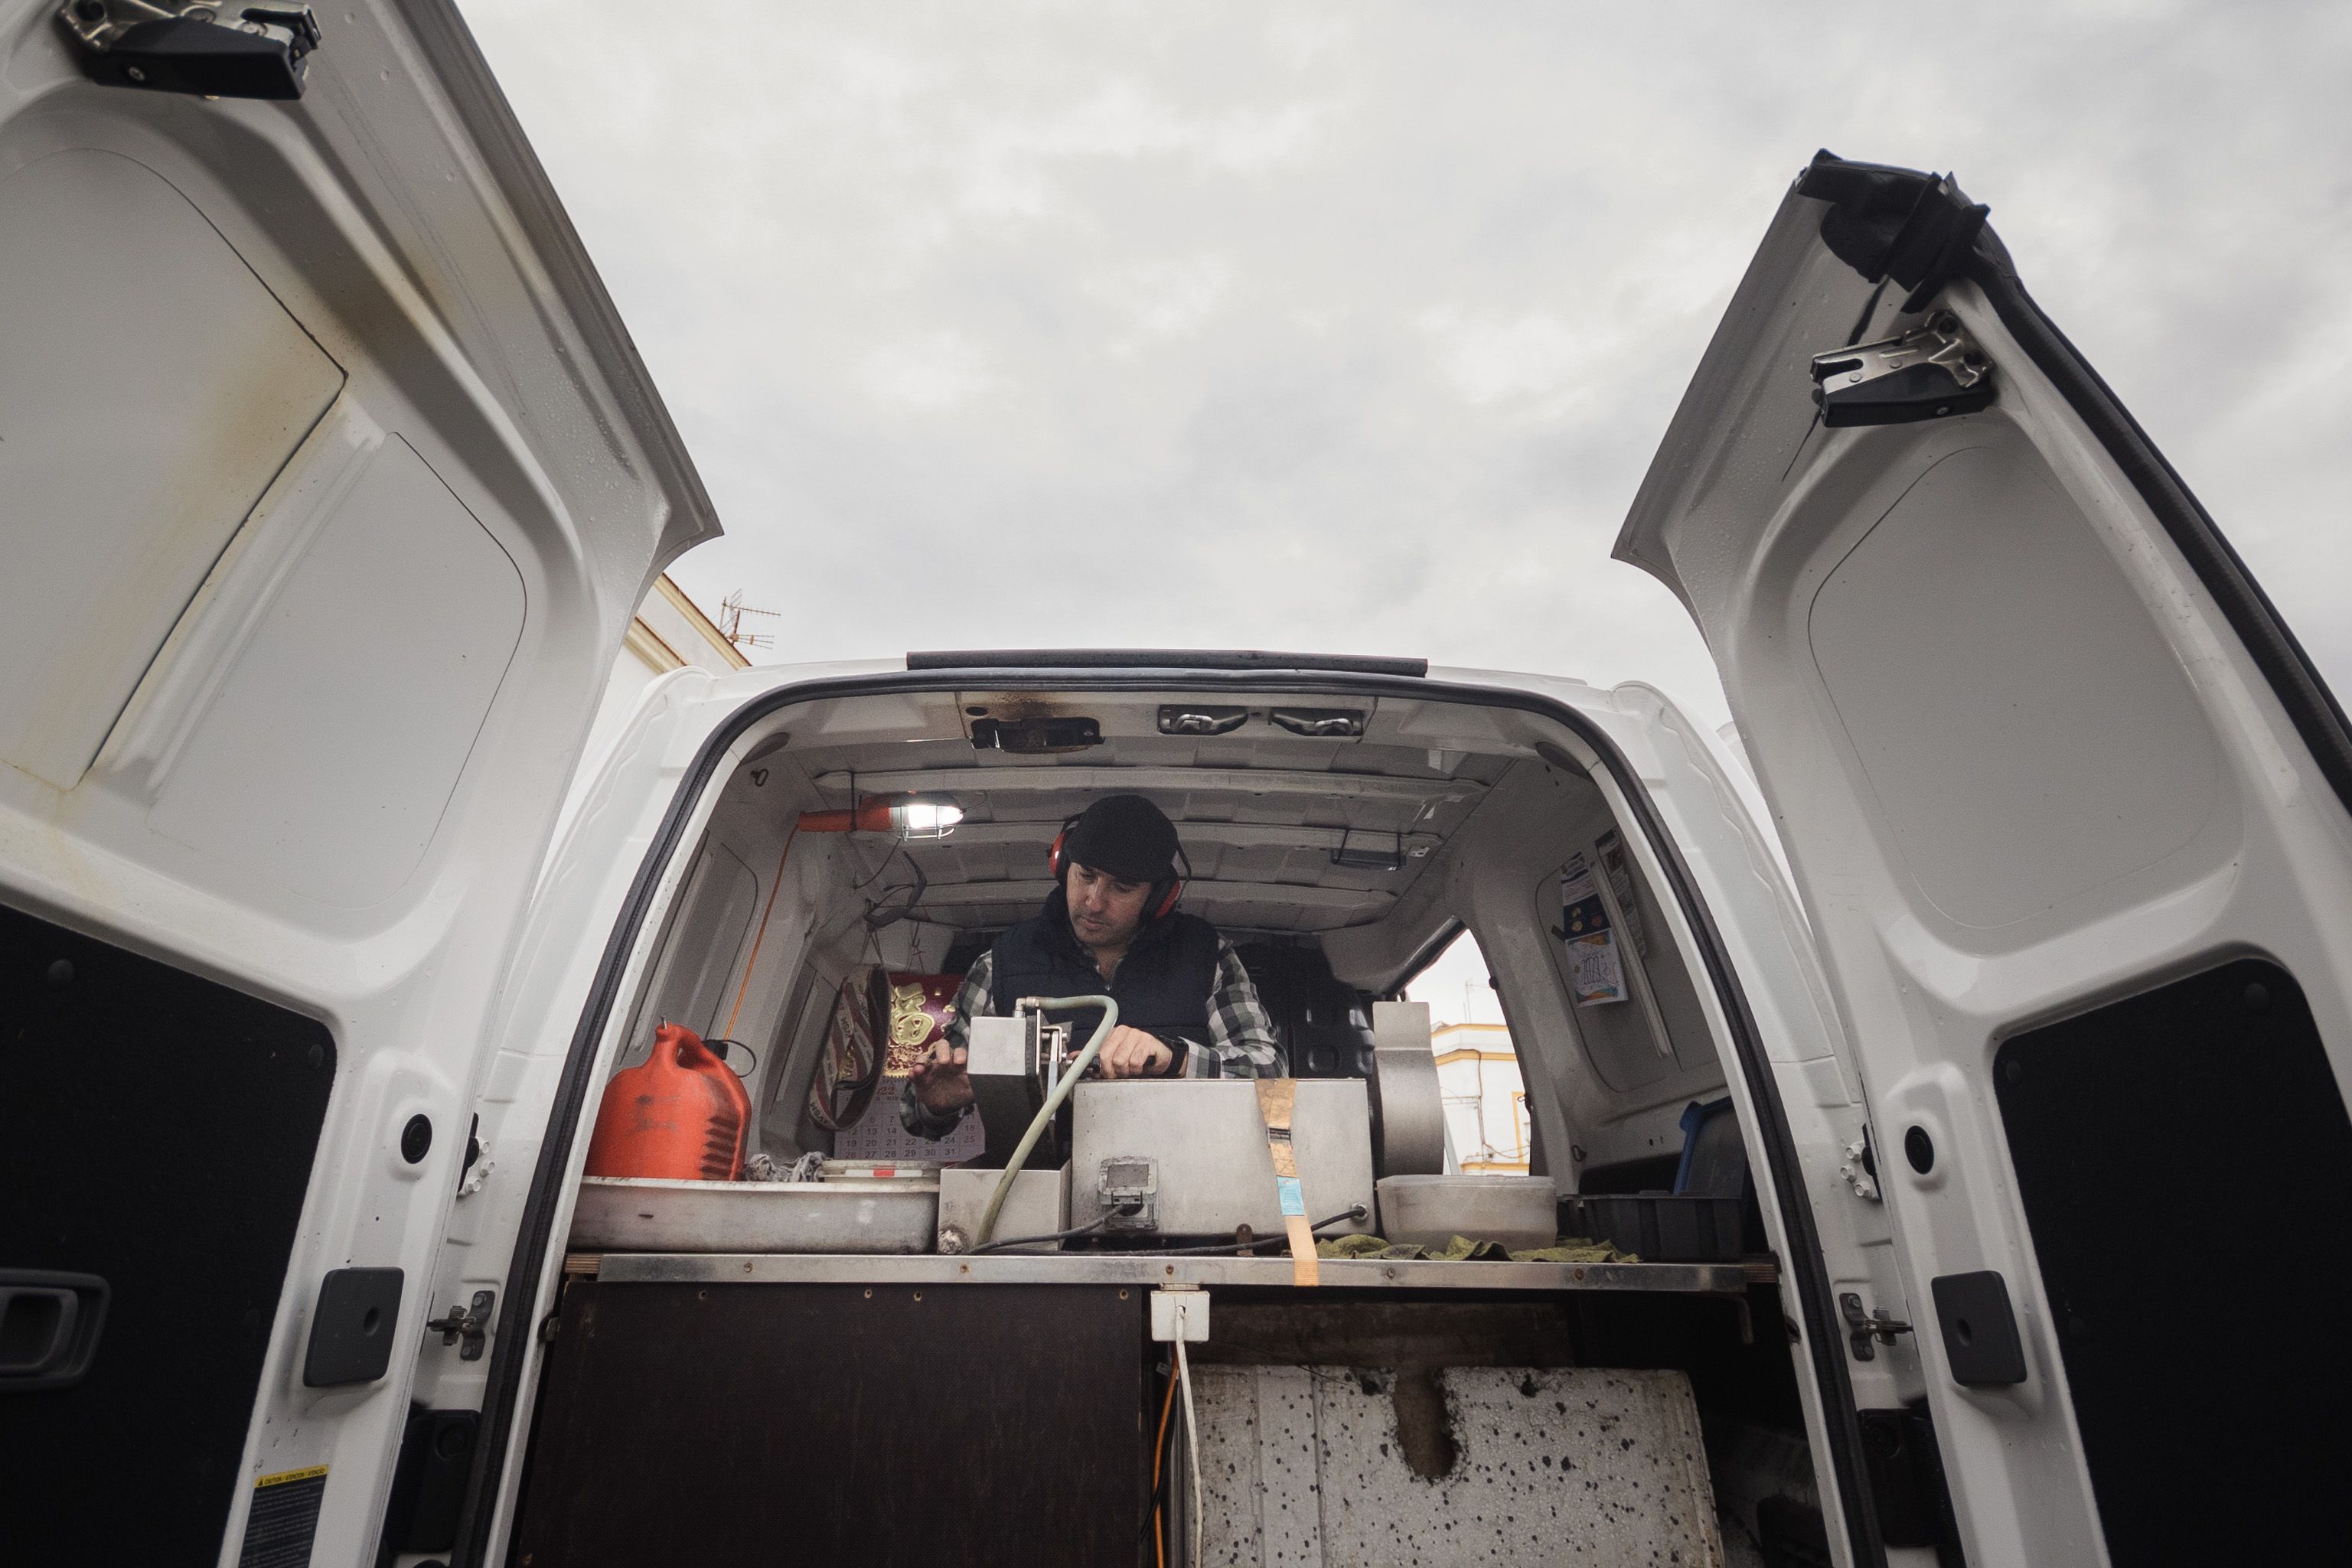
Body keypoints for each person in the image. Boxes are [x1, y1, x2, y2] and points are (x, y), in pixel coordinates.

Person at [902, 794, 1280, 1138]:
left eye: (1122, 888)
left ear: (1159, 897)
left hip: (1185, 1177)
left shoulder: (1206, 955)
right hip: (1041, 1183)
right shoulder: (1001, 964)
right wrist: (936, 1103)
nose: (1094, 902)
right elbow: (916, 1114)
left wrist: (1174, 1058)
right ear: (1061, 864)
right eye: (1086, 876)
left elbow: (1270, 1073)